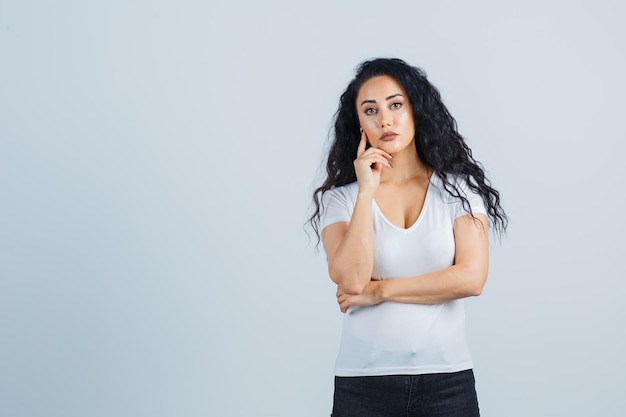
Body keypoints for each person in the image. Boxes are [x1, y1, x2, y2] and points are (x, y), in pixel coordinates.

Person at [308, 58, 507, 417]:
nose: (385, 119)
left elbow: (471, 278)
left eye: (395, 104)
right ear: (359, 125)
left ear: (417, 110)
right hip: (363, 385)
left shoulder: (459, 190)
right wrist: (366, 192)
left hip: (447, 380)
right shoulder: (341, 200)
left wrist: (380, 290)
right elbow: (352, 280)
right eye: (371, 110)